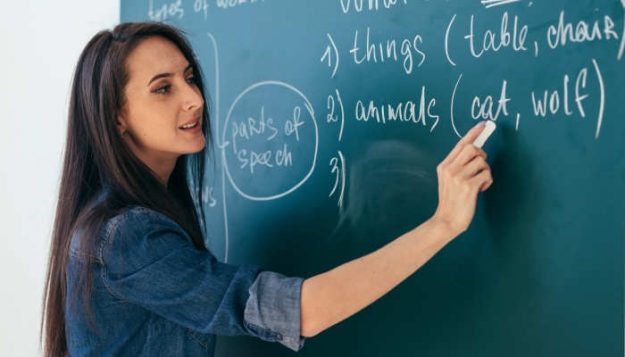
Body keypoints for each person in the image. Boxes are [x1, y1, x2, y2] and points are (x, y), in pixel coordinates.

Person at [41, 22, 493, 356]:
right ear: (116, 116)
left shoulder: (125, 221)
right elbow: (302, 311)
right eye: (163, 89)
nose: (194, 98)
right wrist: (443, 224)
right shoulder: (127, 237)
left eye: (189, 77)